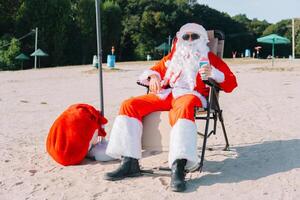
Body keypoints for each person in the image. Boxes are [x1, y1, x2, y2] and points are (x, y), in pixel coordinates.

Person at [104, 23, 237, 192]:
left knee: (184, 106)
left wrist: (214, 74)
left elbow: (232, 83)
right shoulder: (173, 57)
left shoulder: (210, 59)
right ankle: (129, 161)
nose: (189, 40)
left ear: (202, 39)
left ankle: (179, 167)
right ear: (179, 39)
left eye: (194, 36)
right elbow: (154, 70)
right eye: (185, 36)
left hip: (192, 95)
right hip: (167, 94)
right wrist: (152, 77)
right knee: (129, 105)